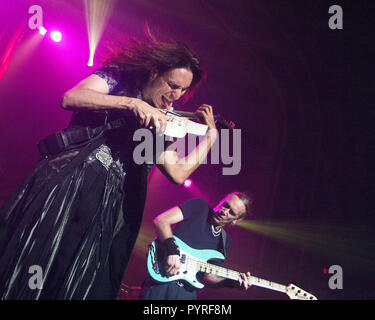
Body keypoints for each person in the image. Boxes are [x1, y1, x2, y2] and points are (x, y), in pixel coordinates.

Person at [0, 31, 218, 299]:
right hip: (70, 185)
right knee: (37, 256)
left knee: (76, 279)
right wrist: (130, 103)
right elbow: (71, 97)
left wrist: (211, 137)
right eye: (172, 84)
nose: (176, 96)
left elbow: (177, 172)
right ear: (153, 72)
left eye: (183, 90)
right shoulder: (119, 77)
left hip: (108, 208)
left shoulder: (162, 120)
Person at [140, 192, 253, 300]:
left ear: (235, 221)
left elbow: (208, 277)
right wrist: (172, 250)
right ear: (220, 201)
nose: (224, 211)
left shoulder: (225, 241)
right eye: (225, 205)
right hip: (162, 282)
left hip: (187, 294)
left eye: (232, 212)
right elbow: (161, 221)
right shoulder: (200, 207)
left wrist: (232, 283)